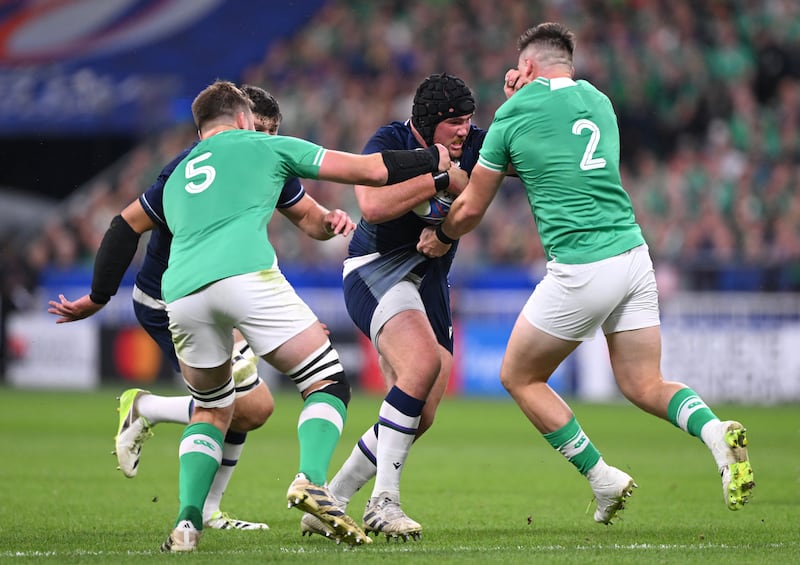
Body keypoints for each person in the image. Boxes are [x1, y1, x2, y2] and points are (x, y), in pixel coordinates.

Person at [417, 22, 755, 525]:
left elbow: (471, 209)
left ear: (526, 66)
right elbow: (552, 155)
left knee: (518, 376)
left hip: (582, 265)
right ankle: (715, 432)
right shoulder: (599, 102)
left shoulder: (514, 114)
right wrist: (514, 106)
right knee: (644, 383)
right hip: (634, 256)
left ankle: (603, 478)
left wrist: (440, 236)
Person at [90, 79, 447, 552]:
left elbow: (121, 227)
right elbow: (369, 171)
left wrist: (96, 298)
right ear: (243, 118)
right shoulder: (264, 147)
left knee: (214, 409)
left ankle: (187, 523)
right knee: (327, 380)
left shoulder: (176, 171)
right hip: (242, 277)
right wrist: (434, 163)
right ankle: (313, 481)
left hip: (180, 295)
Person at [48, 85, 357, 532]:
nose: (265, 141)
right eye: (261, 130)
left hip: (218, 293)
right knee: (242, 406)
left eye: (273, 133)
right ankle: (151, 415)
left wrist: (330, 223)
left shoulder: (267, 157)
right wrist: (99, 296)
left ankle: (203, 510)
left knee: (251, 408)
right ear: (242, 123)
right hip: (170, 298)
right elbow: (129, 227)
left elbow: (306, 222)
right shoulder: (191, 165)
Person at [300, 73, 483, 542]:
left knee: (421, 414)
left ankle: (333, 498)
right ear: (429, 123)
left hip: (431, 281)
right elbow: (373, 205)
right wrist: (440, 178)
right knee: (419, 366)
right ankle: (384, 502)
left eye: (469, 121)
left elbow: (518, 158)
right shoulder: (391, 141)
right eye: (455, 123)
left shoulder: (476, 144)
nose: (465, 130)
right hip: (378, 268)